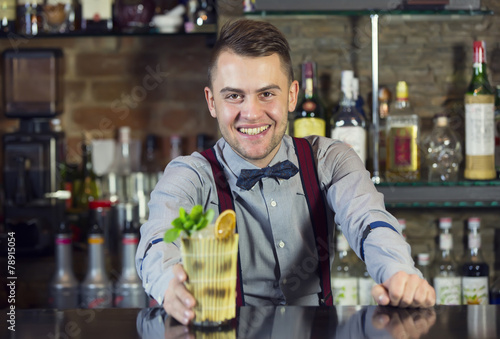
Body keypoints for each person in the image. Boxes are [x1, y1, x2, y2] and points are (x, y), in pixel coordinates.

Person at [136, 18, 435, 325]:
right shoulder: (191, 175)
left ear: (292, 96)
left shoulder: (330, 159)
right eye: (234, 96)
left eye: (266, 94)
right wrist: (170, 284)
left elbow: (369, 220)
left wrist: (399, 273)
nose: (251, 113)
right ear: (212, 102)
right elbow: (157, 239)